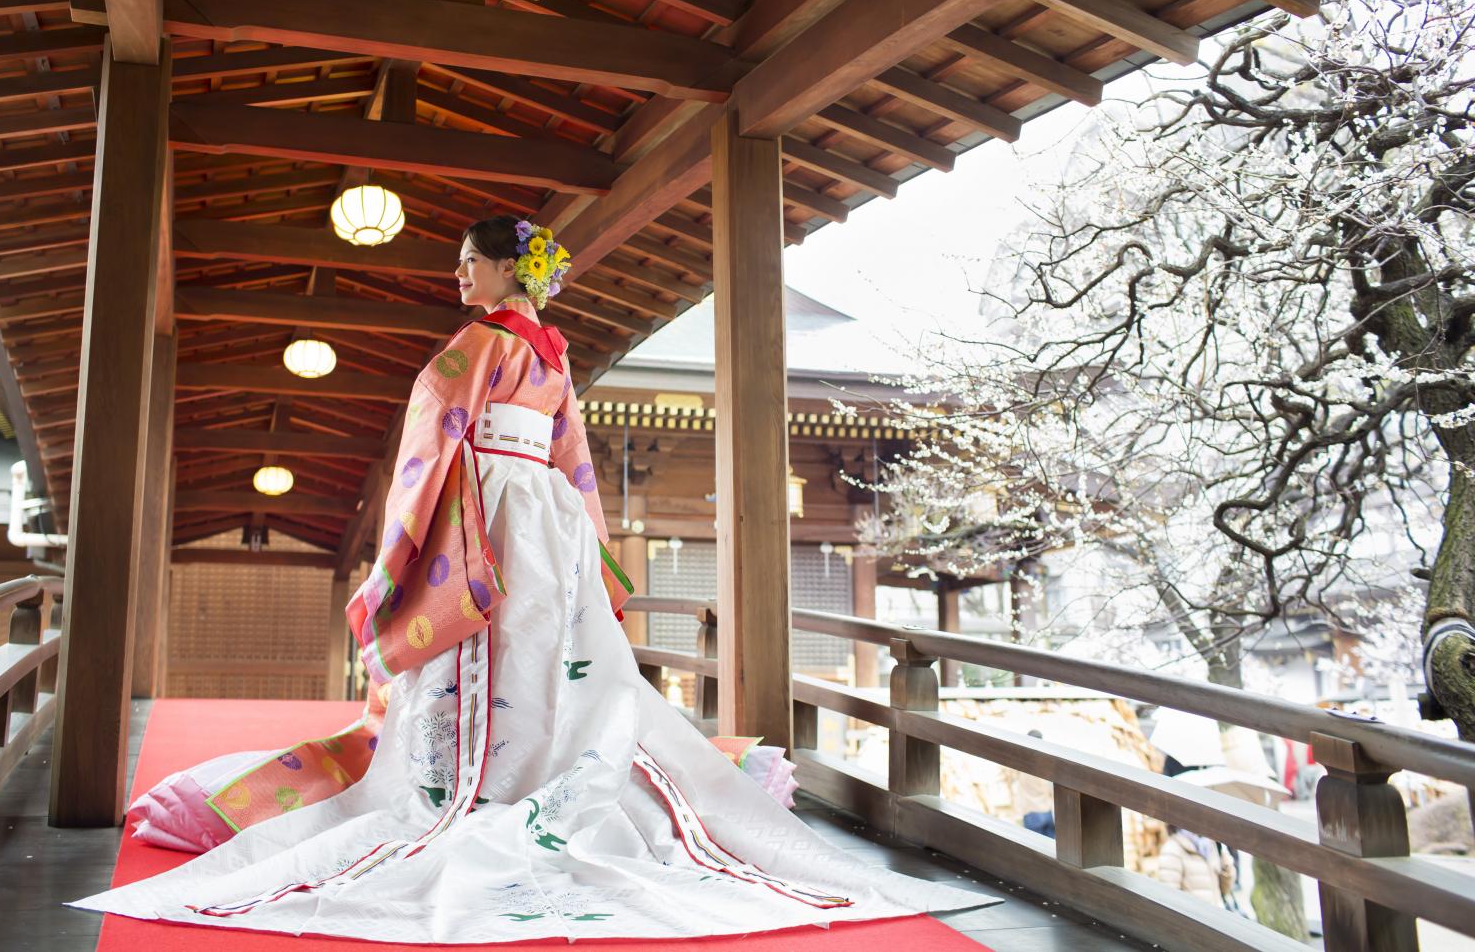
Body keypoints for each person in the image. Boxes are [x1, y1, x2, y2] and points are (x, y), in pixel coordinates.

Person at [72, 215, 995, 943]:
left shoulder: (477, 345)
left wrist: (401, 551)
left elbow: (429, 439)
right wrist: (588, 540)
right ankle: (545, 774)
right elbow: (575, 459)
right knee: (548, 648)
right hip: (546, 513)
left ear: (508, 270)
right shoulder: (551, 354)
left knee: (479, 645)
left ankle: (471, 784)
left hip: (483, 507)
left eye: (468, 264)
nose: (458, 278)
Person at [1155, 825, 1236, 908]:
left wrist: (1226, 862)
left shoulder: (1211, 844)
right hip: (1194, 914)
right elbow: (1170, 900)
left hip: (1217, 913)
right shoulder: (1172, 849)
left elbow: (1225, 890)